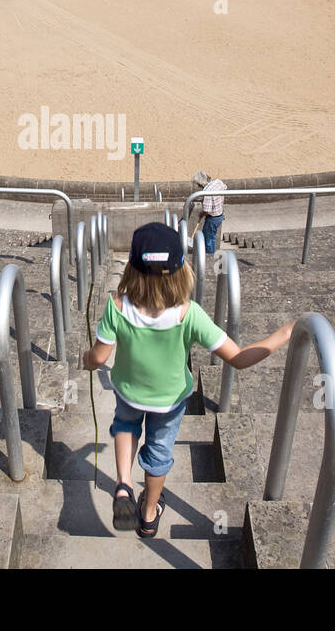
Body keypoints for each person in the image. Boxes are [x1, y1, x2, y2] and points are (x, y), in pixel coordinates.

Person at [81, 223, 294, 537]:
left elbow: (99, 358)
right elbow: (238, 358)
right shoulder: (189, 313)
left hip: (128, 391)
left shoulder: (117, 307)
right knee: (159, 453)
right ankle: (149, 514)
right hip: (169, 400)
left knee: (125, 426)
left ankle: (123, 485)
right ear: (182, 271)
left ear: (131, 270)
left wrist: (86, 360)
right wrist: (285, 333)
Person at [191, 171, 227, 255]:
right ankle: (213, 253)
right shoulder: (218, 182)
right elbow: (225, 188)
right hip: (220, 215)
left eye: (198, 184)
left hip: (212, 218)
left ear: (200, 183)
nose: (198, 186)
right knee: (212, 237)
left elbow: (207, 210)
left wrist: (201, 214)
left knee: (208, 239)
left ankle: (210, 256)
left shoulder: (207, 192)